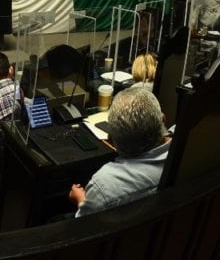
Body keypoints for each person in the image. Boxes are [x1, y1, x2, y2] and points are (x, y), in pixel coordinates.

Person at [67, 87, 170, 216]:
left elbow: (86, 223)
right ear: (163, 120)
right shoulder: (186, 148)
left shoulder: (104, 185)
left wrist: (80, 199)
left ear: (111, 138)